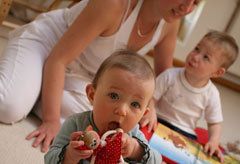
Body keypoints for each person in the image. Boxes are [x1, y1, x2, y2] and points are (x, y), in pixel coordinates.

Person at [0, 0, 200, 152]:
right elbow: (58, 60)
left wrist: (152, 106)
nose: (188, 7)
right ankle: (34, 86)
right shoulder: (113, 4)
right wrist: (51, 120)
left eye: (195, 2)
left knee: (102, 126)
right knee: (8, 107)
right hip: (48, 46)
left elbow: (165, 79)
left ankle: (37, 88)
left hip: (85, 75)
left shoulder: (169, 23)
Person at [45, 50, 161, 163]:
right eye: (114, 95)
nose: (122, 111)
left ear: (143, 114)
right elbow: (49, 159)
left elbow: (157, 159)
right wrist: (70, 155)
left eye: (135, 104)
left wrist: (136, 150)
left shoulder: (134, 135)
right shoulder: (76, 123)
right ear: (92, 95)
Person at [152, 30, 239, 163]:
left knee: (195, 158)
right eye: (197, 49)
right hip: (158, 121)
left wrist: (214, 141)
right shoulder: (170, 75)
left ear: (217, 72)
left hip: (185, 133)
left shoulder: (212, 93)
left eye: (206, 57)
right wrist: (150, 113)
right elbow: (150, 99)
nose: (195, 56)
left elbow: (215, 123)